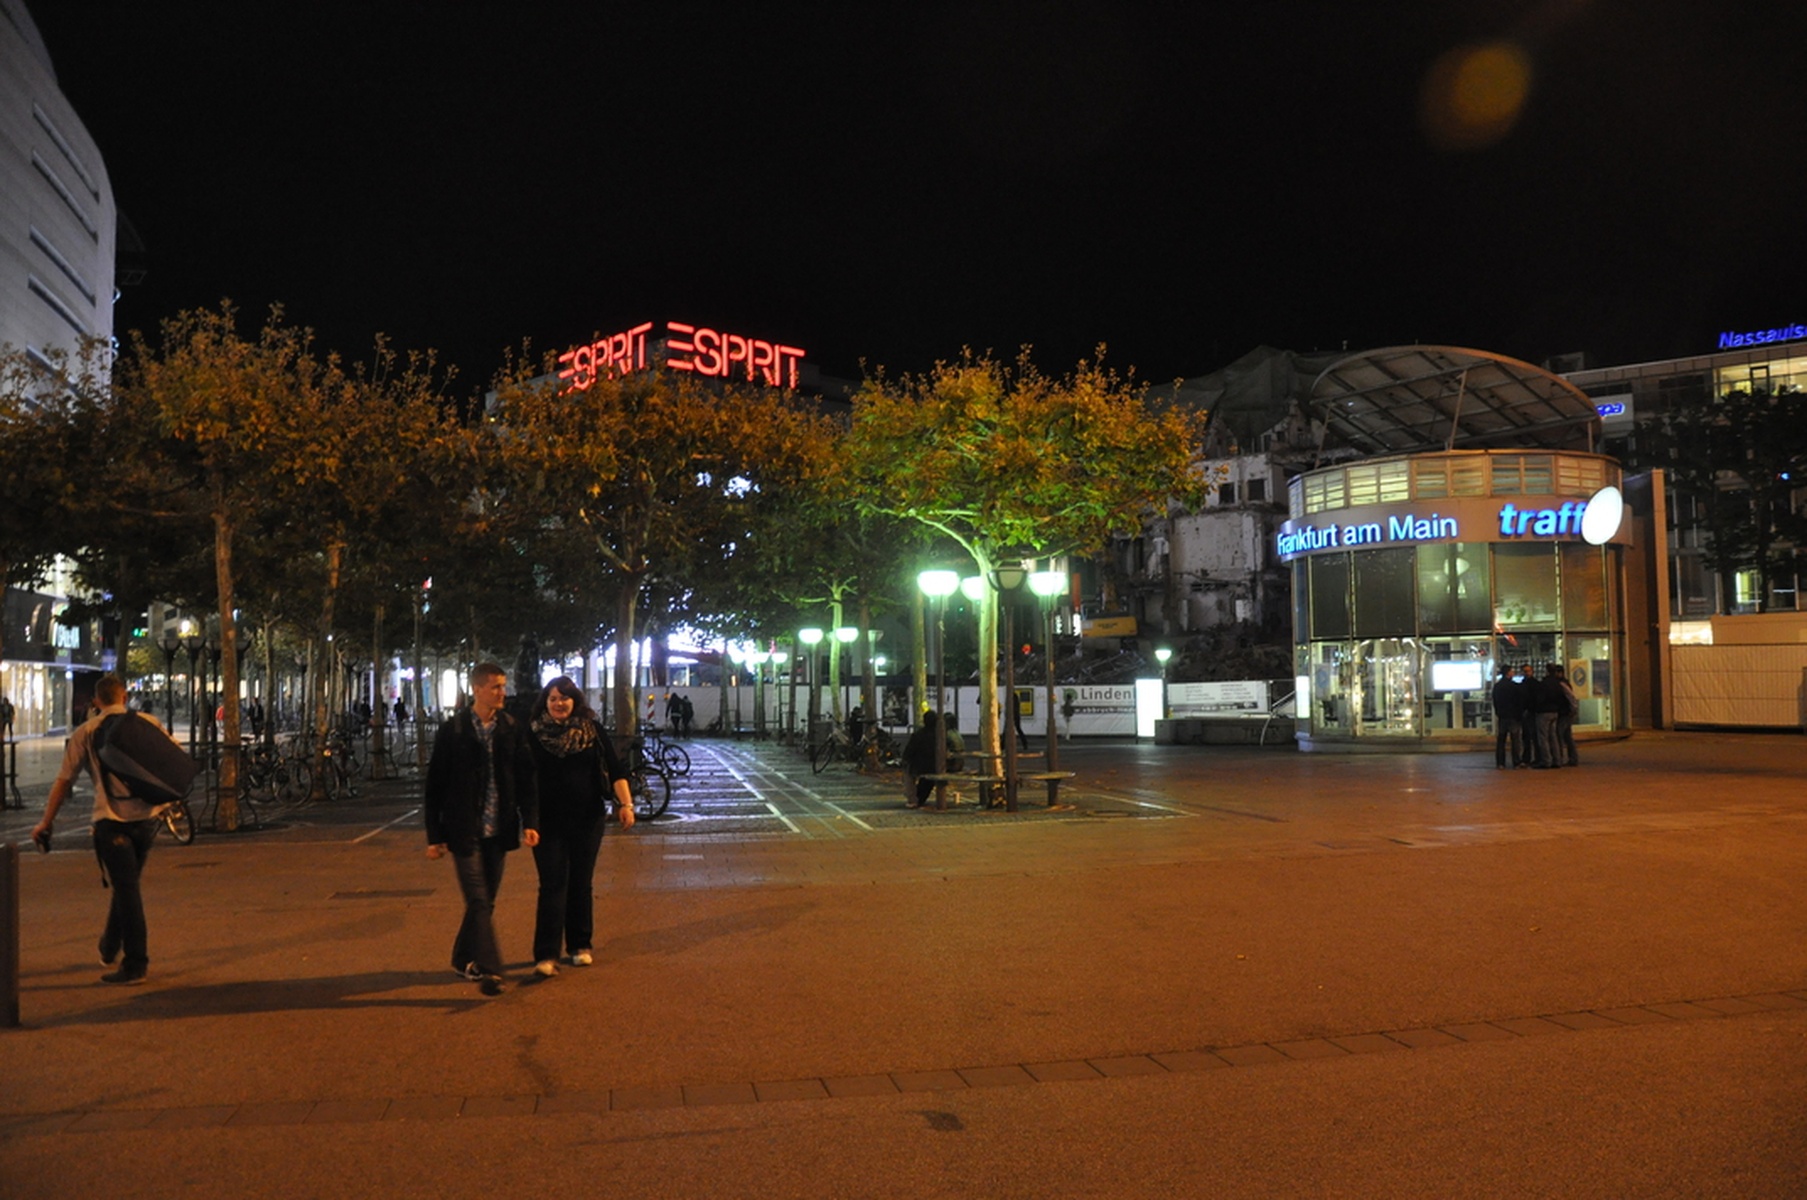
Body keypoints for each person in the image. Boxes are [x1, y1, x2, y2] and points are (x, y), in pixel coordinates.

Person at [32, 675, 178, 984]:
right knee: (127, 887)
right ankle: (110, 946)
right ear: (124, 697)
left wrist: (46, 822)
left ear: (96, 702)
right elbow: (173, 758)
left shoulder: (87, 732)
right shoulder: (148, 722)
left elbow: (64, 780)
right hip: (145, 818)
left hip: (110, 819)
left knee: (127, 890)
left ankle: (135, 964)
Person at [424, 662, 539, 996]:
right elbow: (435, 785)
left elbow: (526, 778)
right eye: (496, 687)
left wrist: (530, 822)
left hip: (498, 828)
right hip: (464, 829)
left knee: (485, 901)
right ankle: (490, 970)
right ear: (477, 690)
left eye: (503, 686)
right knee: (477, 898)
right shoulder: (455, 730)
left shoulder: (511, 728)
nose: (503, 693)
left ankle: (462, 958)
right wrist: (435, 835)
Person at [526, 676, 633, 977]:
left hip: (587, 818)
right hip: (547, 822)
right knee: (552, 884)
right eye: (553, 698)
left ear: (575, 701)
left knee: (580, 882)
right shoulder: (533, 733)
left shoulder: (592, 730)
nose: (559, 703)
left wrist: (626, 805)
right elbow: (524, 778)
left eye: (564, 698)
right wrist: (527, 819)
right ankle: (546, 954)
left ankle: (580, 945)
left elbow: (615, 768)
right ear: (545, 702)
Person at [1529, 663, 1565, 768]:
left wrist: (1535, 708)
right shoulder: (1558, 683)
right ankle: (1557, 760)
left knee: (1543, 737)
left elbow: (1539, 699)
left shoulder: (1544, 684)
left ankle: (1546, 760)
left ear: (1547, 671)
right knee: (1553, 736)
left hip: (1544, 712)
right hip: (1554, 711)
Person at [1491, 665, 1527, 769]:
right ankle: (1516, 761)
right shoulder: (1514, 686)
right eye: (1512, 671)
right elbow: (1519, 701)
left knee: (1501, 740)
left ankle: (1500, 762)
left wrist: (1498, 712)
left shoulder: (1497, 686)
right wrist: (1520, 714)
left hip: (1503, 716)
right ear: (1508, 673)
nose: (1513, 673)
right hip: (1513, 716)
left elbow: (1495, 700)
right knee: (1515, 740)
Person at [1551, 665, 1581, 767]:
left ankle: (1560, 757)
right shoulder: (1564, 683)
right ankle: (1573, 758)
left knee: (1559, 734)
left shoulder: (1562, 684)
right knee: (1567, 736)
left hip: (1565, 713)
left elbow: (1571, 697)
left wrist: (1573, 709)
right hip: (1566, 712)